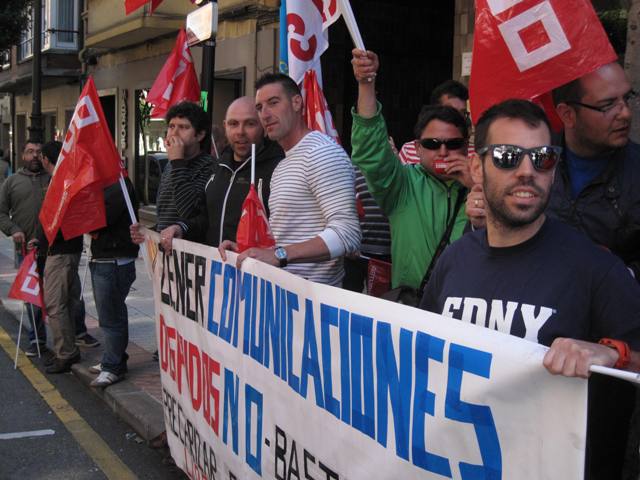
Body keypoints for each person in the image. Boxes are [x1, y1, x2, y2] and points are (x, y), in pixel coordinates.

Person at [419, 99, 640, 479]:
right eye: (507, 157)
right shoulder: (454, 260)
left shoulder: (595, 268)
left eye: (543, 158)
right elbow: (419, 350)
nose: (527, 171)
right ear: (477, 167)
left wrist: (611, 353)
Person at [350, 49, 472, 296]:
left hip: (467, 309)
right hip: (415, 307)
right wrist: (366, 83)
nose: (443, 152)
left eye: (453, 144)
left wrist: (478, 185)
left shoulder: (485, 184)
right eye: (432, 144)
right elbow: (371, 149)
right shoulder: (403, 185)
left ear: (466, 145)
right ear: (417, 147)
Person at [220, 73, 360, 287]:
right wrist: (249, 250)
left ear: (296, 102)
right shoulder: (284, 164)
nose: (265, 114)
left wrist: (279, 254)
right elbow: (287, 237)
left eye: (273, 103)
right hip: (285, 296)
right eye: (259, 107)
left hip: (315, 297)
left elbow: (347, 234)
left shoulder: (322, 153)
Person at [158, 96, 283, 250]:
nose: (240, 132)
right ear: (225, 126)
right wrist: (180, 228)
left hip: (254, 263)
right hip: (212, 262)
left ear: (263, 126)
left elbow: (287, 233)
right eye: (233, 124)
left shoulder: (278, 169)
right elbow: (204, 218)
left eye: (250, 124)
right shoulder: (218, 168)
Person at [130, 101, 214, 244]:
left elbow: (190, 213)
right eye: (171, 126)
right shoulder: (170, 166)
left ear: (200, 135)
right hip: (167, 253)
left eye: (183, 127)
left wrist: (178, 162)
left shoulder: (209, 166)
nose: (174, 133)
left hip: (190, 252)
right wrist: (148, 232)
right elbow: (166, 217)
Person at [34, 141, 84, 374]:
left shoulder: (61, 184)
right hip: (65, 250)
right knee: (65, 302)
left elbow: (57, 222)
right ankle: (68, 348)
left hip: (61, 252)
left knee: (55, 303)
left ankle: (66, 353)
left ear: (46, 159)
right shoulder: (64, 182)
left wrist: (44, 240)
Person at [88, 178, 139, 388]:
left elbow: (98, 219)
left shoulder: (118, 183)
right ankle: (114, 358)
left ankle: (113, 366)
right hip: (104, 258)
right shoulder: (105, 183)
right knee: (110, 314)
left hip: (114, 261)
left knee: (111, 317)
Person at [0, 140, 49, 355]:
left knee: (63, 293)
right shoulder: (11, 182)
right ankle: (37, 339)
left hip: (54, 248)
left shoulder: (53, 178)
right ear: (22, 156)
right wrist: (13, 230)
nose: (35, 156)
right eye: (30, 152)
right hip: (26, 250)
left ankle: (77, 334)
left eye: (38, 152)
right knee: (32, 297)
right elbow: (1, 213)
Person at [399, 79, 471, 165]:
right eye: (432, 144)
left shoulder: (476, 154)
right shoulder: (408, 150)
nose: (443, 153)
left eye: (463, 113)